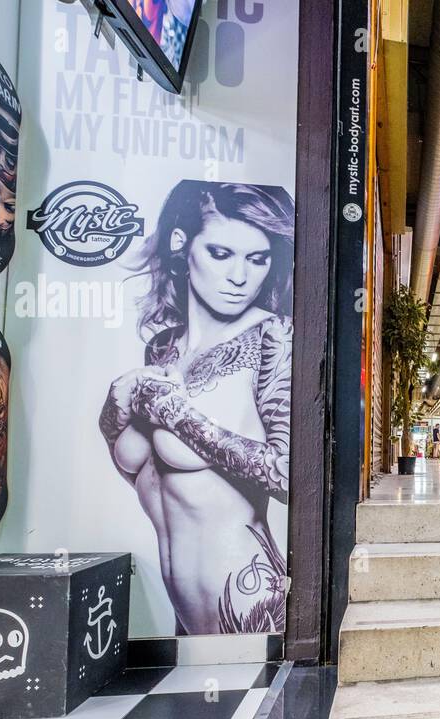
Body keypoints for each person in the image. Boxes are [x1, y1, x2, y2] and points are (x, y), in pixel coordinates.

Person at [99, 181, 295, 636]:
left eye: (258, 259)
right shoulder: (163, 348)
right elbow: (147, 472)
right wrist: (113, 411)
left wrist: (183, 418)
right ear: (180, 244)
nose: (240, 276)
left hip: (248, 604)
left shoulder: (273, 337)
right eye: (221, 253)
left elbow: (289, 475)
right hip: (185, 616)